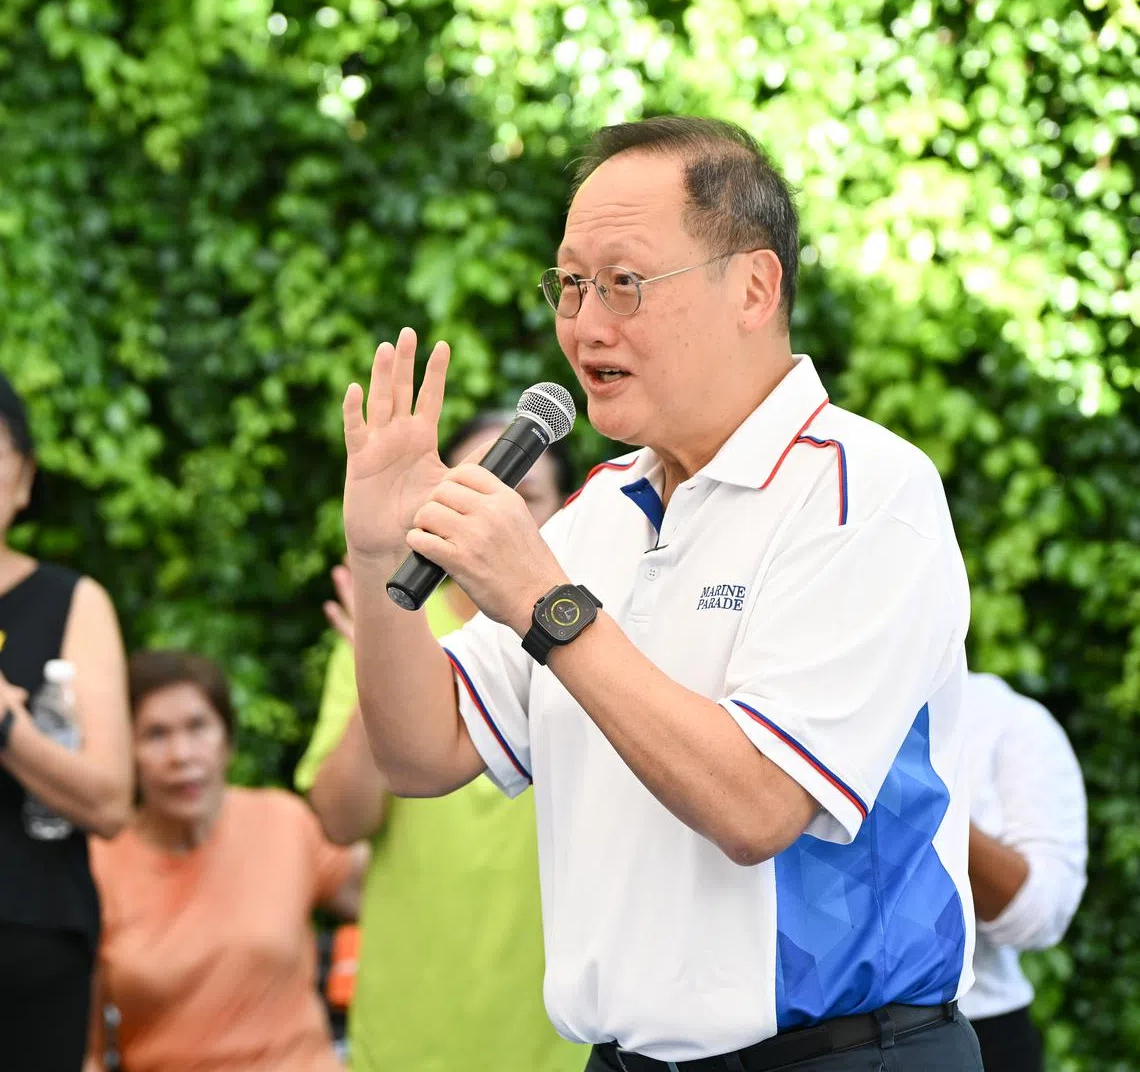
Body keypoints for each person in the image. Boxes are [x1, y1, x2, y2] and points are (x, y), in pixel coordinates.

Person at [340, 116, 983, 1071]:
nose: (586, 323)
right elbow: (421, 752)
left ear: (754, 288)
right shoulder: (597, 515)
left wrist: (549, 606)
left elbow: (758, 805)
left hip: (840, 1055)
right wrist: (375, 552)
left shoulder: (864, 489)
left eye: (626, 283)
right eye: (571, 283)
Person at [296, 413, 585, 1072]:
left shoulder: (592, 629)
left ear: (566, 511)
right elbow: (341, 821)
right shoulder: (388, 620)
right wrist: (384, 665)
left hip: (565, 1036)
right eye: (478, 485)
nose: (497, 509)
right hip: (410, 1028)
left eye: (525, 492)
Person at [85, 650, 367, 1072]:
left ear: (227, 740)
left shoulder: (284, 822)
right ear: (127, 752)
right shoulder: (96, 864)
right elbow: (80, 1048)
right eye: (156, 734)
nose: (181, 755)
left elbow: (396, 905)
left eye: (198, 727)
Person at [0, 369, 133, 1072]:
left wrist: (5, 725)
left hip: (30, 945)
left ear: (23, 476)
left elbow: (110, 801)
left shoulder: (72, 602)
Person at [960, 671, 1087, 1072]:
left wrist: (918, 796)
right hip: (793, 1036)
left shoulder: (1010, 722)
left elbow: (1040, 916)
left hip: (980, 1031)